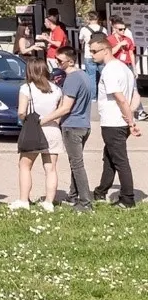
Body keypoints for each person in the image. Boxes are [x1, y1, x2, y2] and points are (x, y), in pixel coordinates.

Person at [12, 57, 71, 212]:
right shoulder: (57, 89)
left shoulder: (27, 88)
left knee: (25, 166)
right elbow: (59, 112)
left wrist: (23, 119)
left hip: (34, 130)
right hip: (52, 130)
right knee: (50, 168)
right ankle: (49, 202)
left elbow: (22, 112)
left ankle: (24, 199)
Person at [90, 32, 139, 207]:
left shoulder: (110, 70)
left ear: (106, 50)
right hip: (119, 121)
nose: (92, 55)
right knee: (109, 157)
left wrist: (131, 121)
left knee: (119, 160)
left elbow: (120, 98)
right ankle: (101, 191)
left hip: (113, 122)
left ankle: (127, 199)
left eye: (94, 51)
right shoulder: (125, 68)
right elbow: (136, 96)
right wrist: (129, 116)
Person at [55, 48, 95, 212]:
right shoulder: (84, 76)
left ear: (70, 61)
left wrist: (44, 120)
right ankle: (73, 195)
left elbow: (65, 108)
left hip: (72, 126)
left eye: (60, 61)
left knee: (77, 165)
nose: (57, 64)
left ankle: (85, 202)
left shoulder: (72, 79)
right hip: (84, 125)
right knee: (75, 163)